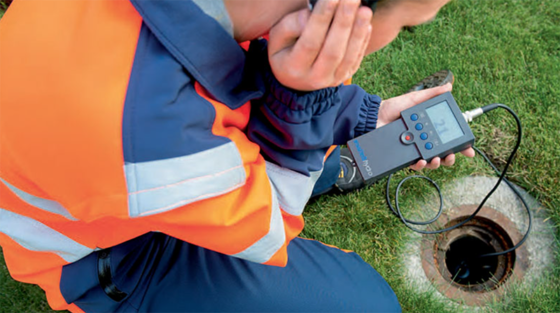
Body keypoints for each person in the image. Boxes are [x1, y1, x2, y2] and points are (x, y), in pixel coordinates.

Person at [0, 0, 473, 312]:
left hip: (132, 175)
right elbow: (268, 235)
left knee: (311, 138)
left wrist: (366, 114)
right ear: (342, 11)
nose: (396, 36)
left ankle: (325, 161)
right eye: (406, 25)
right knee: (368, 304)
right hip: (112, 259)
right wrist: (308, 102)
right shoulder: (147, 129)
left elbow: (239, 65)